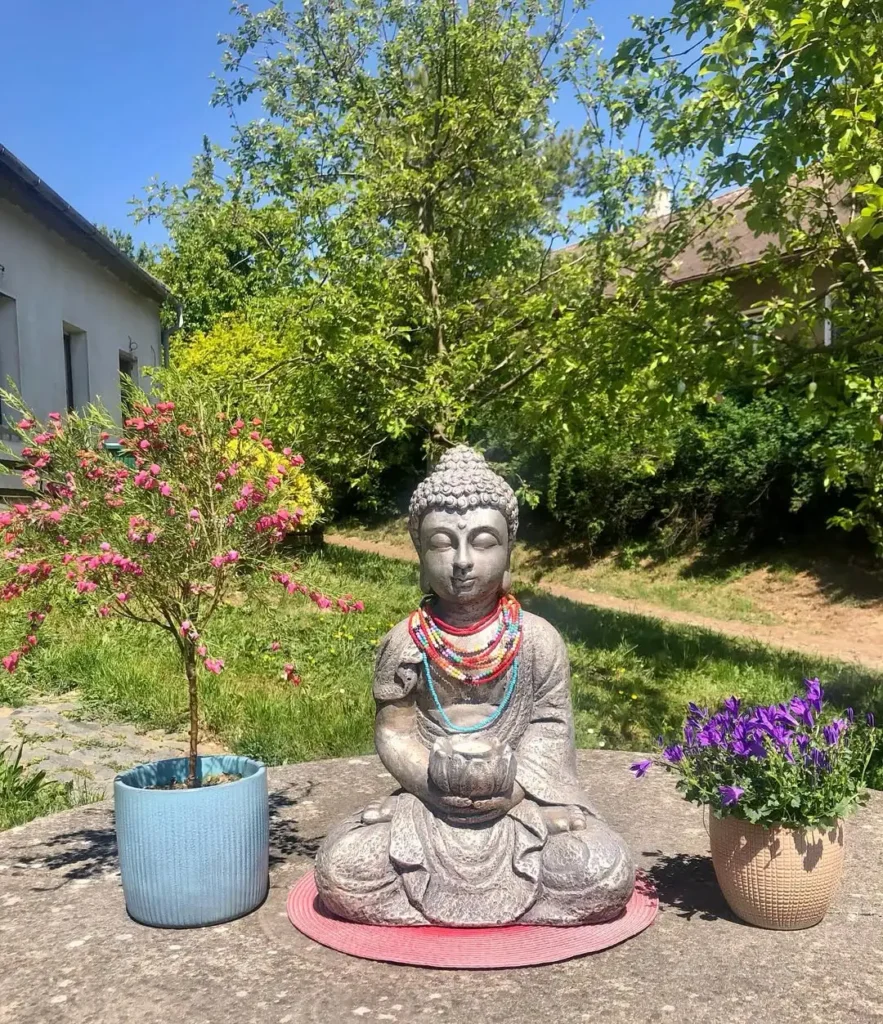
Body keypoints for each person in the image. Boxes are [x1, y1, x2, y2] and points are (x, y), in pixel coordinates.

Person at [315, 446, 634, 926]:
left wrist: (514, 791)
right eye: (443, 544)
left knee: (601, 869)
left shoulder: (537, 639)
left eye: (483, 542)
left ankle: (494, 895)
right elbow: (394, 731)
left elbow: (550, 726)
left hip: (521, 802)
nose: (462, 561)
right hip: (429, 804)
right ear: (421, 556)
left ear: (509, 553)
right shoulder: (405, 642)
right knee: (345, 866)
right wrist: (431, 787)